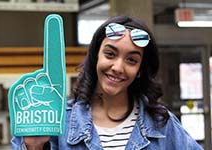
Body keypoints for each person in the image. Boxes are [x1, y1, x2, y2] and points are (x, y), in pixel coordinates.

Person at [11, 15, 203, 150]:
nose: (118, 67)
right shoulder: (59, 121)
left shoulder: (162, 125)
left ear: (139, 70)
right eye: (110, 54)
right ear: (95, 56)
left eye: (132, 60)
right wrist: (33, 146)